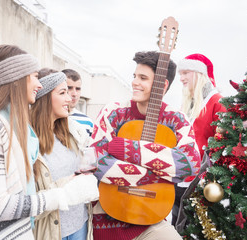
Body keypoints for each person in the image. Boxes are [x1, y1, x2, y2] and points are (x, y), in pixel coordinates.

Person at [0, 45, 97, 240]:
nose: (39, 85)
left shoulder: (13, 127)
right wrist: (62, 196)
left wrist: (69, 185)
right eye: (33, 76)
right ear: (17, 80)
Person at [89, 51, 201, 240]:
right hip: (107, 217)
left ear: (161, 85)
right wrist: (159, 174)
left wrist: (124, 148)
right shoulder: (113, 111)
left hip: (151, 219)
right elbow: (96, 161)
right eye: (134, 76)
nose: (134, 82)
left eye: (143, 78)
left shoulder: (176, 119)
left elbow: (190, 163)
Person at [30, 68, 99, 240]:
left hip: (80, 224)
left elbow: (84, 170)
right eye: (63, 92)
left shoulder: (74, 131)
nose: (70, 98)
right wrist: (69, 187)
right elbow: (26, 205)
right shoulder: (27, 140)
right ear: (43, 97)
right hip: (50, 231)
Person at [171, 53, 227, 227]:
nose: (181, 78)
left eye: (186, 72)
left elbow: (224, 145)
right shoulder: (189, 104)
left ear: (199, 74)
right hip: (180, 180)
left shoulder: (217, 102)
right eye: (180, 74)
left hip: (201, 185)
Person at [62, 69, 94, 136]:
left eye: (78, 89)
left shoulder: (88, 122)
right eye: (69, 88)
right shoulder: (48, 118)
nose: (74, 94)